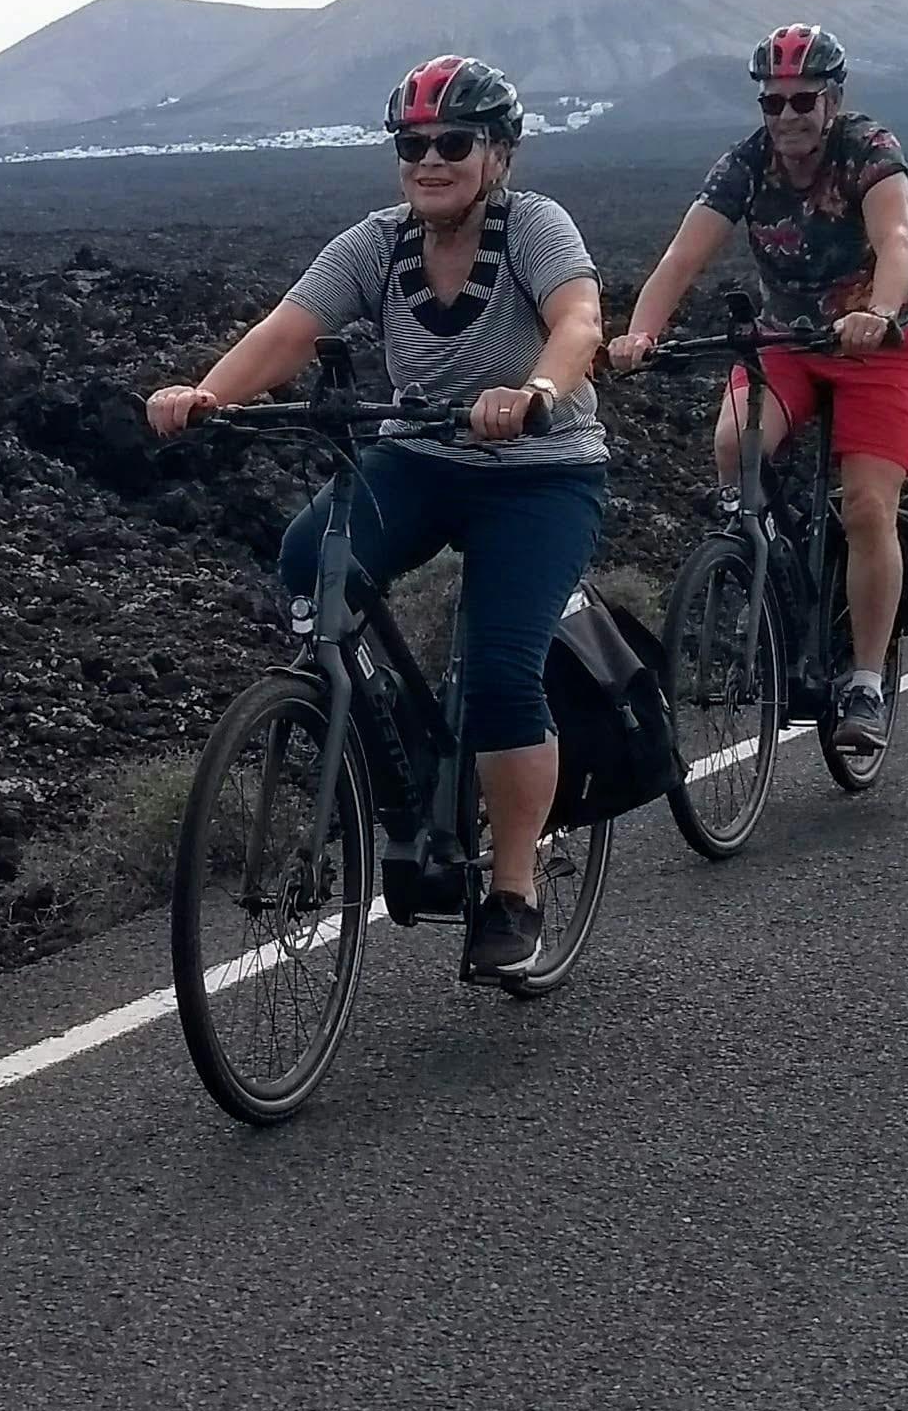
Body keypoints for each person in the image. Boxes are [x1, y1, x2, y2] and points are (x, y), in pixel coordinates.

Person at [143, 56, 608, 986]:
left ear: (498, 156)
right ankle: (379, 742)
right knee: (310, 556)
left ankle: (514, 894)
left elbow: (580, 319)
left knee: (504, 673)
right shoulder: (378, 244)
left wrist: (535, 391)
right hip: (421, 457)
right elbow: (289, 328)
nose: (429, 160)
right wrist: (207, 394)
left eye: (452, 143)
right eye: (412, 145)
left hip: (538, 472)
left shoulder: (535, 228)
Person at [610, 25, 908, 768]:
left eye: (802, 101)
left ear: (833, 99)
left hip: (876, 347)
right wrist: (639, 334)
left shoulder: (869, 149)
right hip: (786, 344)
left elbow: (898, 240)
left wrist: (877, 315)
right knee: (732, 445)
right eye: (774, 103)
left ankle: (867, 682)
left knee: (869, 507)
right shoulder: (745, 166)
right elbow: (682, 256)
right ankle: (768, 569)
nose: (787, 117)